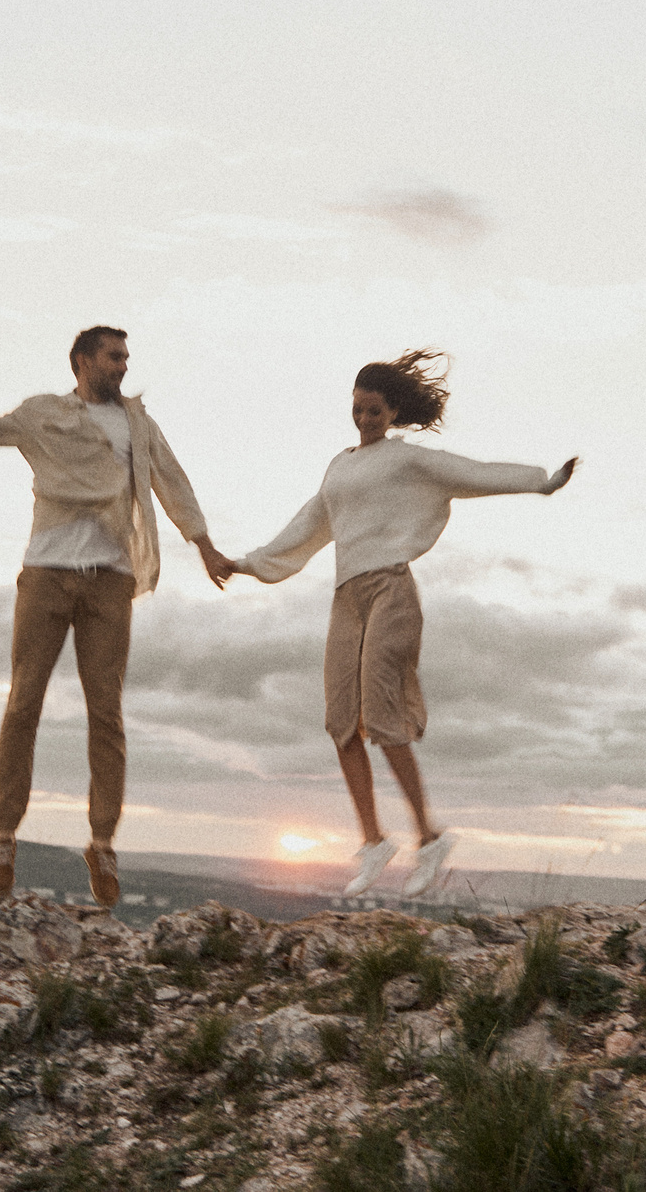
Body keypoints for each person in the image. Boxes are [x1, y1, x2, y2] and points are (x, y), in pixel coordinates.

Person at [225, 349, 575, 900]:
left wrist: (540, 482)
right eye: (359, 410)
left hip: (390, 589)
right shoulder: (338, 466)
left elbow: (470, 474)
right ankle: (373, 843)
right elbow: (310, 524)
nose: (365, 420)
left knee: (382, 718)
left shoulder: (407, 460)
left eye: (375, 412)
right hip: (347, 598)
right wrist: (246, 563)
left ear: (393, 413)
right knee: (340, 722)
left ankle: (430, 837)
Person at [0, 327, 233, 906]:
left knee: (107, 712)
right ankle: (3, 835)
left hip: (110, 580)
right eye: (114, 356)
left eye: (127, 357)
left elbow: (172, 482)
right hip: (47, 574)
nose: (124, 366)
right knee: (23, 701)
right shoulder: (41, 415)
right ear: (82, 360)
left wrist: (203, 545)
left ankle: (102, 844)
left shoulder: (136, 424)